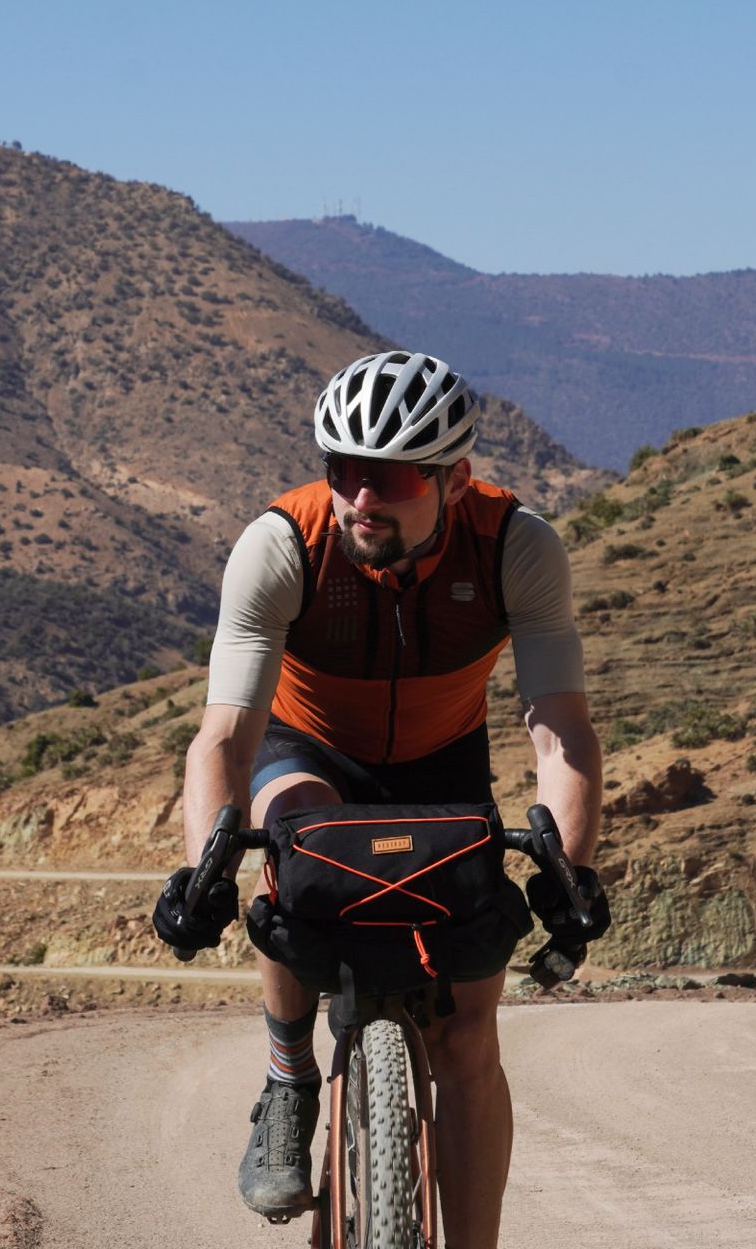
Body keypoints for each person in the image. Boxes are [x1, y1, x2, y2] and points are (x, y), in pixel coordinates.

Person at [153, 350, 608, 1249]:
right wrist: (203, 868)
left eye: (392, 478)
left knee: (468, 1040)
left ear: (453, 480)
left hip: (443, 767)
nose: (362, 497)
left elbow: (561, 730)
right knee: (289, 839)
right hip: (305, 749)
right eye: (345, 469)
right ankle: (289, 1075)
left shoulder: (516, 546)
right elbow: (224, 740)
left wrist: (571, 869)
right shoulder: (282, 545)